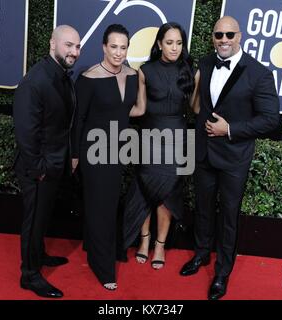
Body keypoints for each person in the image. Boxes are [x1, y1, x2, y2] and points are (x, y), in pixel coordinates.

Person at [179, 16, 280, 300]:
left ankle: (222, 273)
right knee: (202, 207)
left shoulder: (258, 73)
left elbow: (271, 119)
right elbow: (199, 104)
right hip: (204, 153)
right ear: (213, 37)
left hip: (235, 157)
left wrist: (231, 129)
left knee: (228, 217)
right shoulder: (207, 62)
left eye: (229, 35)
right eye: (218, 35)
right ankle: (201, 254)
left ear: (239, 36)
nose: (223, 40)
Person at [74, 24, 145, 291]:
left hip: (119, 150)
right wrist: (74, 155)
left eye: (123, 47)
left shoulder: (133, 75)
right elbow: (77, 120)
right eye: (113, 46)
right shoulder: (89, 77)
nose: (118, 52)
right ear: (104, 47)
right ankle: (103, 267)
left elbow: (132, 110)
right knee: (100, 206)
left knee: (108, 203)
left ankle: (98, 247)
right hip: (94, 151)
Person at [13, 25, 81, 298]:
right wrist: (39, 169)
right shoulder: (35, 81)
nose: (74, 52)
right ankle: (29, 275)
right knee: (33, 221)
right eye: (68, 45)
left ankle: (38, 256)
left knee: (42, 219)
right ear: (52, 44)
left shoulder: (61, 76)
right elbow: (26, 133)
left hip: (54, 165)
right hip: (38, 169)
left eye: (77, 47)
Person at [122, 22, 195, 270]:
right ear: (159, 44)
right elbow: (140, 109)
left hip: (177, 140)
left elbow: (195, 108)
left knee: (167, 194)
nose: (174, 48)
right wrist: (106, 114)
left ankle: (160, 244)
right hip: (149, 138)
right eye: (169, 42)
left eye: (179, 43)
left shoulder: (189, 71)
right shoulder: (145, 71)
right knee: (145, 190)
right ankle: (144, 241)